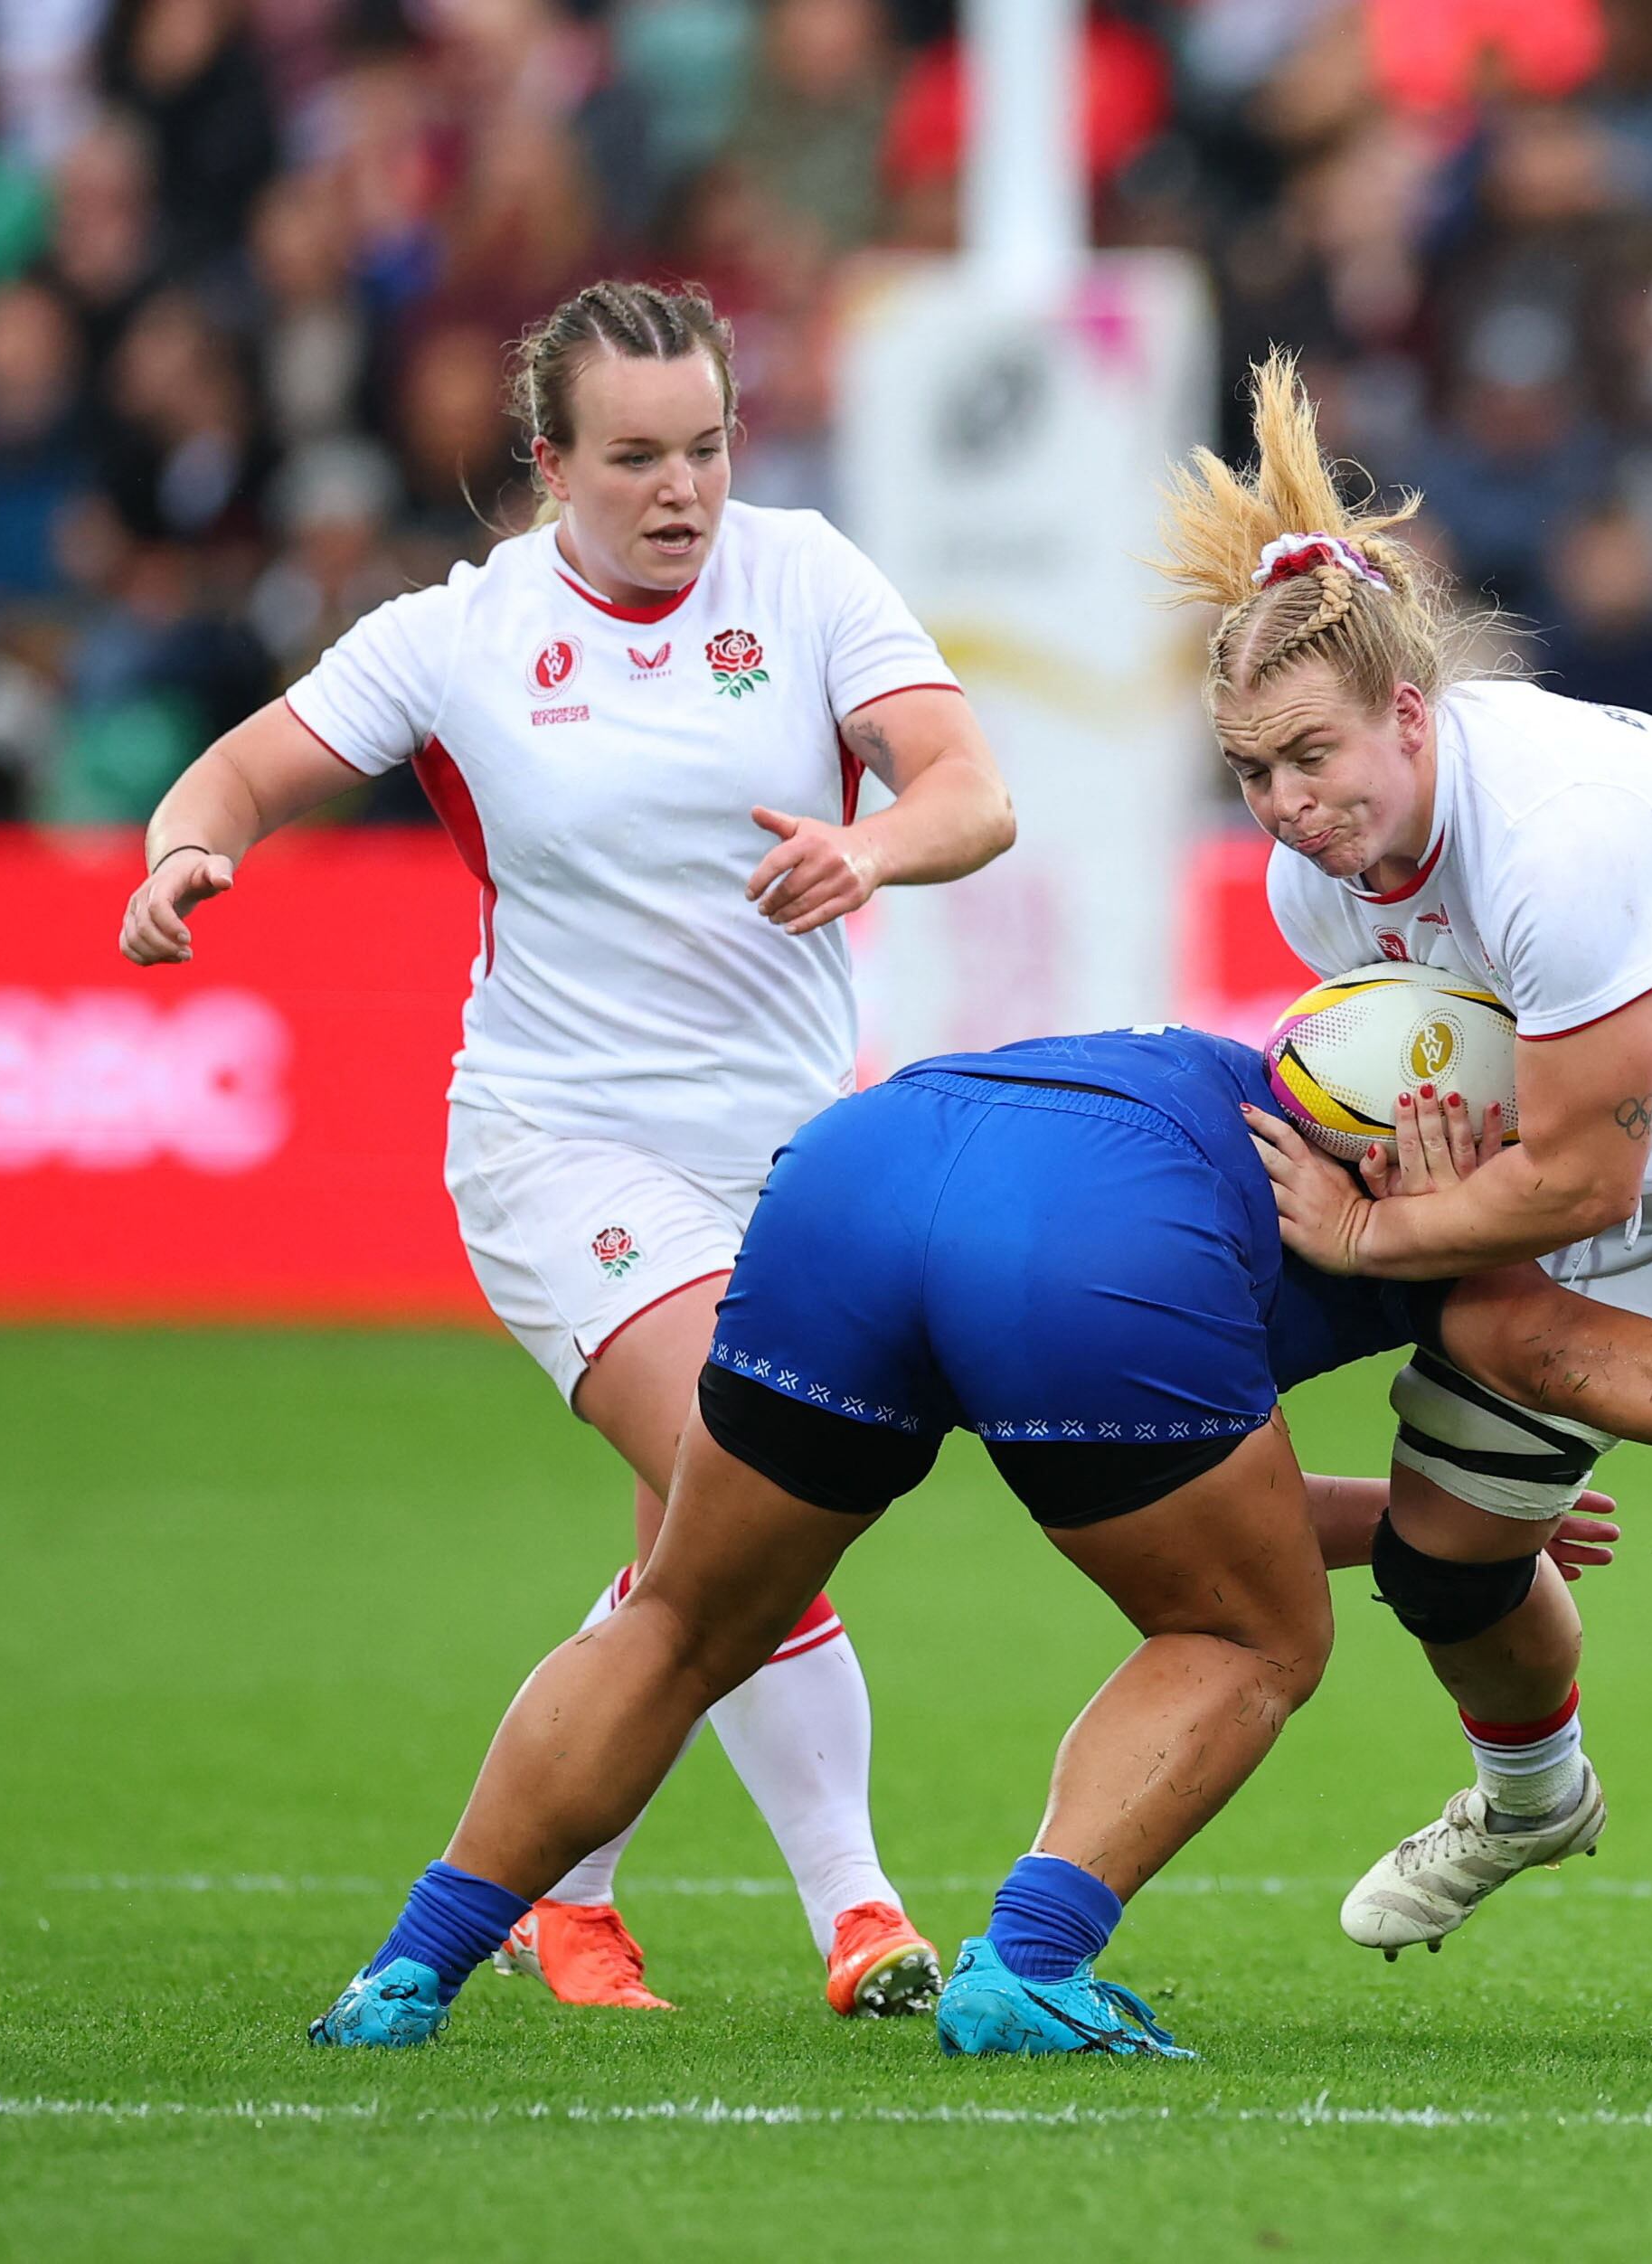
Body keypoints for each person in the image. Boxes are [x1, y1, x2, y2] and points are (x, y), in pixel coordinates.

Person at [305, 1025, 1652, 2052]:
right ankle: (1026, 1968)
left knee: (681, 1615)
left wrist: (1360, 1520)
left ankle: (408, 1972)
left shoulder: (1231, 1069)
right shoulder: (1441, 1176)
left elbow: (1121, 1480)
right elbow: (1543, 1347)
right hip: (1087, 1249)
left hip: (867, 1158)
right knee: (1251, 1641)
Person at [118, 280, 1015, 2023]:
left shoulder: (808, 575)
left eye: (707, 447)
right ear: (550, 463)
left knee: (715, 1541)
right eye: (635, 458)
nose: (683, 489)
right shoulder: (457, 635)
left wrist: (874, 847)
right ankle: (862, 1913)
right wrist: (181, 857)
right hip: (563, 1144)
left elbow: (970, 787)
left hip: (796, 1167)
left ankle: (571, 1898)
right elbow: (235, 772)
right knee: (743, 1481)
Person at [1156, 354, 1652, 2061]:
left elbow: (1586, 1176)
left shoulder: (1554, 839)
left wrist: (1378, 1234)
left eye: (1314, 757)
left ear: (1409, 713)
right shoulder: (1319, 880)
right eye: (1253, 773)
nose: (1294, 809)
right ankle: (1531, 1801)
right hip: (1597, 1130)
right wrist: (1426, 1208)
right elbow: (1509, 1157)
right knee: (1446, 1557)